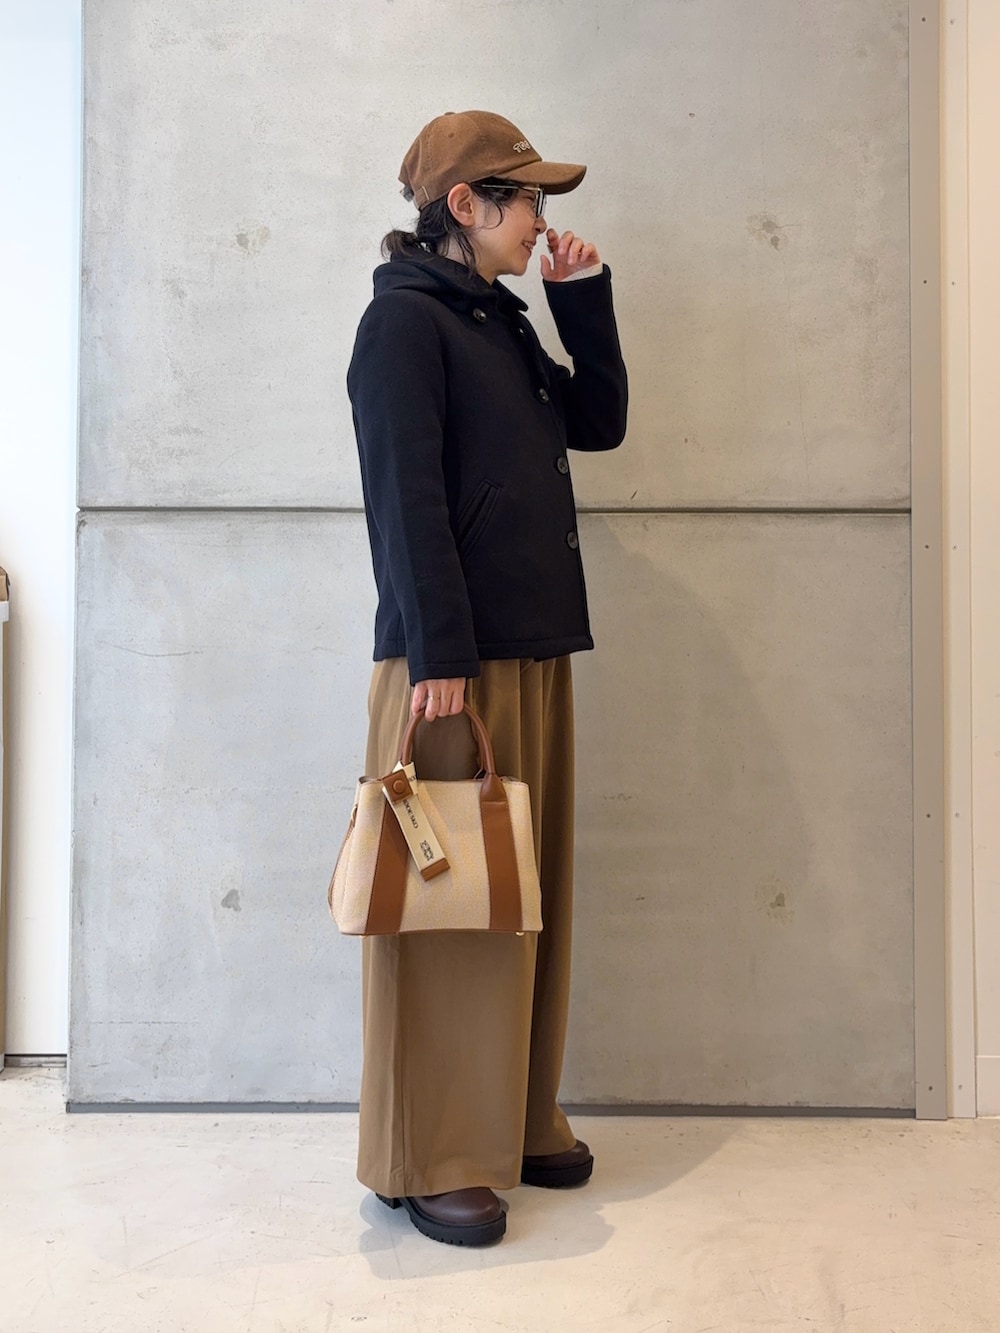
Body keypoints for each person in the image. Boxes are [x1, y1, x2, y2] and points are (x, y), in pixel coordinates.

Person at [346, 109, 628, 1247]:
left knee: (518, 900)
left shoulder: (497, 322)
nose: (540, 222)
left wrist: (581, 300)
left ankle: (511, 1117)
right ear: (463, 205)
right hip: (450, 667)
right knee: (445, 913)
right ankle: (432, 1153)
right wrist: (443, 655)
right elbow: (403, 501)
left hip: (531, 650)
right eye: (526, 201)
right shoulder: (402, 327)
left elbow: (597, 423)